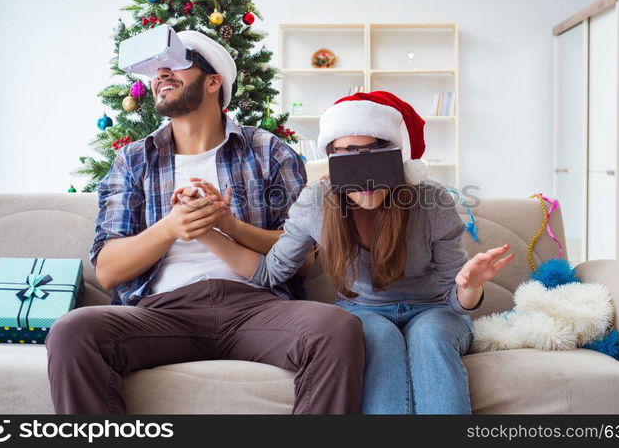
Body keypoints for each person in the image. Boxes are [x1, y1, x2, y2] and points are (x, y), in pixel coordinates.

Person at [45, 30, 365, 414]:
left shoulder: (268, 151)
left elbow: (305, 259)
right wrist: (171, 228)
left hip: (257, 308)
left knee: (336, 328)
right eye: (156, 69)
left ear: (214, 82)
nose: (161, 73)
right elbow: (109, 271)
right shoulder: (133, 160)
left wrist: (229, 226)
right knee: (71, 331)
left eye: (178, 64)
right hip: (160, 312)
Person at [175, 91, 515, 414]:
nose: (362, 176)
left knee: (430, 335)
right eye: (346, 156)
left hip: (434, 309)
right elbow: (271, 273)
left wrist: (471, 285)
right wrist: (212, 230)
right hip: (363, 310)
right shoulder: (315, 203)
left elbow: (454, 299)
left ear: (397, 159)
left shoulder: (432, 201)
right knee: (378, 337)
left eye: (373, 155)